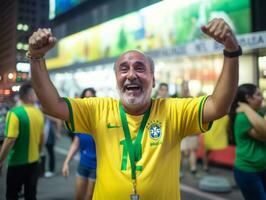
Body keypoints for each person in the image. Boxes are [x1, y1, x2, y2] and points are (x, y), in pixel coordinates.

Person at [27, 18, 240, 199]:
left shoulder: (173, 110)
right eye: (124, 69)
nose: (131, 75)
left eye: (140, 68)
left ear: (153, 80)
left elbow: (218, 106)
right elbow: (52, 105)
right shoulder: (98, 109)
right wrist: (36, 58)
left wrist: (231, 51)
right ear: (116, 80)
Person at [0, 82, 44, 200]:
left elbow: (9, 140)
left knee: (12, 195)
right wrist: (38, 153)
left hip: (16, 163)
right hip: (34, 162)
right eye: (35, 94)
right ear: (29, 96)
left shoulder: (14, 113)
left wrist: (0, 160)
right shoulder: (39, 113)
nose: (37, 96)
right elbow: (42, 139)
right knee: (31, 194)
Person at [229, 83, 266, 200]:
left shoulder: (259, 114)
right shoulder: (242, 118)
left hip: (263, 168)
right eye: (258, 95)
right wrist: (246, 109)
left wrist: (246, 108)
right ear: (248, 98)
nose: (262, 98)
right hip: (248, 171)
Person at [62, 88, 97, 200]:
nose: (88, 100)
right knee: (78, 196)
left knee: (89, 196)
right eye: (85, 97)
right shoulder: (81, 121)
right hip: (83, 164)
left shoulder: (100, 119)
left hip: (97, 166)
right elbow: (75, 144)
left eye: (91, 97)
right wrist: (66, 162)